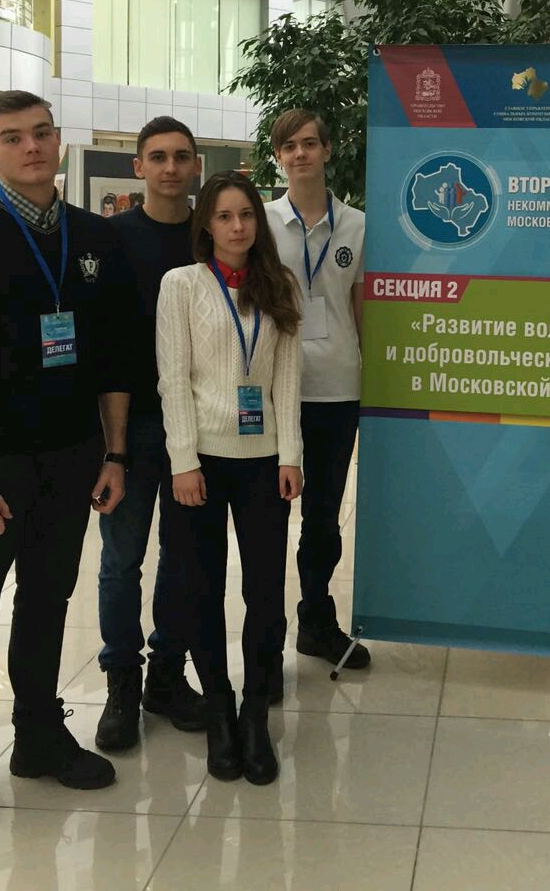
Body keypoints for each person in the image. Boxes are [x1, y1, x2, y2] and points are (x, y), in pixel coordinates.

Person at [0, 90, 133, 840]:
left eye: (41, 133)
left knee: (46, 600)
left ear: (59, 140)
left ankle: (38, 735)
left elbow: (114, 356)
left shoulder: (93, 235)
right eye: (13, 137)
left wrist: (114, 453)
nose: (31, 146)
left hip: (72, 457)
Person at [157, 171, 303, 785]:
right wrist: (183, 461)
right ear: (207, 225)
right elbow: (173, 378)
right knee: (201, 589)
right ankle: (218, 709)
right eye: (224, 216)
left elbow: (288, 378)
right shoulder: (182, 285)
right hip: (202, 464)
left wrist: (291, 454)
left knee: (265, 593)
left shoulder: (279, 284)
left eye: (246, 214)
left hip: (265, 462)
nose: (237, 226)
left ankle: (254, 713)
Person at [95, 117, 206, 752]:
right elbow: (102, 344)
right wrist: (109, 447)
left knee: (183, 555)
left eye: (181, 157)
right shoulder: (111, 239)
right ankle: (121, 682)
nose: (170, 167)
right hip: (130, 424)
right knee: (120, 561)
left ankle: (166, 675)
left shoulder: (213, 235)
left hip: (199, 424)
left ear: (196, 166)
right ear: (138, 167)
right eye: (158, 157)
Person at [265, 110, 368, 671]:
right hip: (272, 390)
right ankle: (265, 633)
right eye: (289, 146)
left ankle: (316, 620)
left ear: (328, 151)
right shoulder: (259, 221)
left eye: (309, 143)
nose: (300, 154)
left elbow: (361, 307)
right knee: (265, 516)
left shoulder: (357, 225)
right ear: (278, 156)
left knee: (323, 516)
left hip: (336, 389)